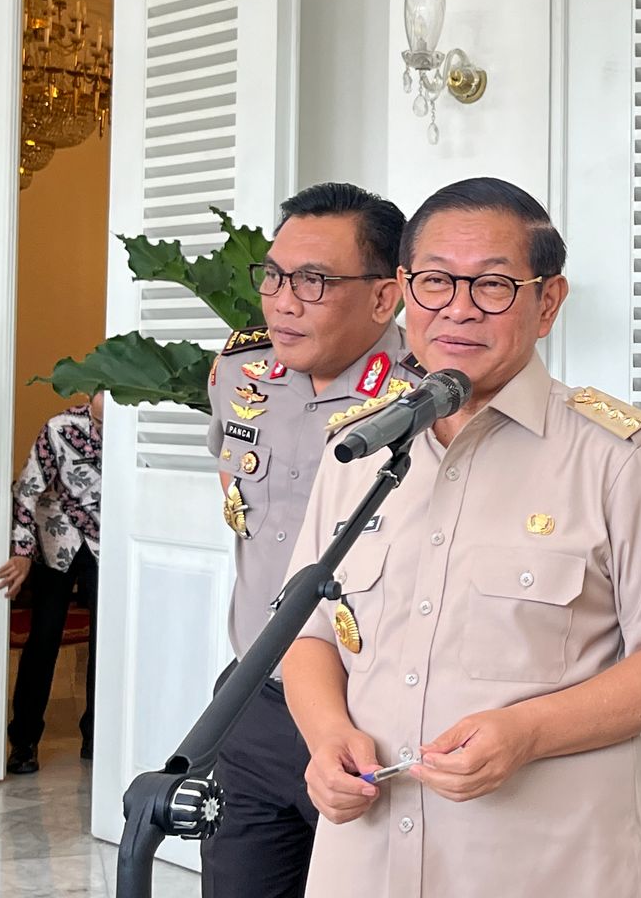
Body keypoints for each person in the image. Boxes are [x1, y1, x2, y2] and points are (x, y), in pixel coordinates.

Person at [281, 177, 641, 897]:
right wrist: (326, 735)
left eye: (492, 285)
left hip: (548, 868)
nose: (457, 308)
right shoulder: (360, 448)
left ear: (547, 302)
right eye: (434, 281)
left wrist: (529, 733)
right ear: (403, 289)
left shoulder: (617, 456)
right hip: (367, 861)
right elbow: (309, 631)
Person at [201, 181, 415, 898]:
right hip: (254, 702)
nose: (282, 302)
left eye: (313, 281)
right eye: (274, 276)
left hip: (372, 717)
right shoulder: (241, 374)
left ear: (384, 297)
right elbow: (243, 504)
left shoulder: (424, 401)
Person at [0, 393, 105, 774]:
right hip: (56, 537)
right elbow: (26, 492)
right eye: (99, 422)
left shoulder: (137, 430)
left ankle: (97, 736)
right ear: (88, 403)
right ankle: (24, 741)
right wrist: (22, 551)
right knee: (43, 637)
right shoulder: (60, 429)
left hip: (107, 541)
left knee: (107, 643)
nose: (103, 430)